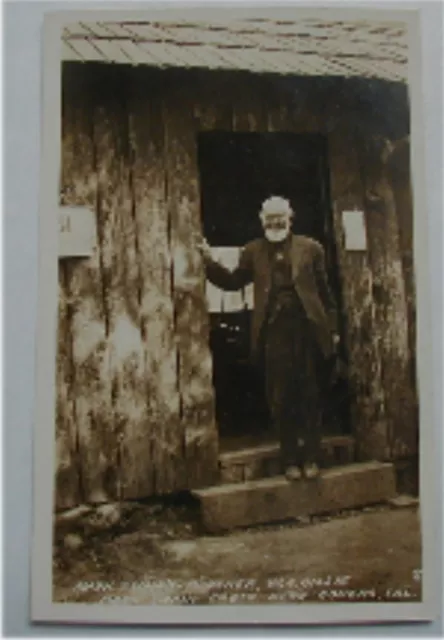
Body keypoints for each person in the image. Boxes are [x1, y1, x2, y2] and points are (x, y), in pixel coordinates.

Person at [197, 196, 339, 481]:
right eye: (270, 218)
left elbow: (326, 294)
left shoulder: (311, 248)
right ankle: (290, 460)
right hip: (274, 332)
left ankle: (311, 457)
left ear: (290, 217)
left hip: (308, 330)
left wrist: (332, 330)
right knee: (281, 396)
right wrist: (208, 260)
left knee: (309, 394)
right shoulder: (253, 251)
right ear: (262, 220)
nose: (275, 223)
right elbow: (233, 281)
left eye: (280, 217)